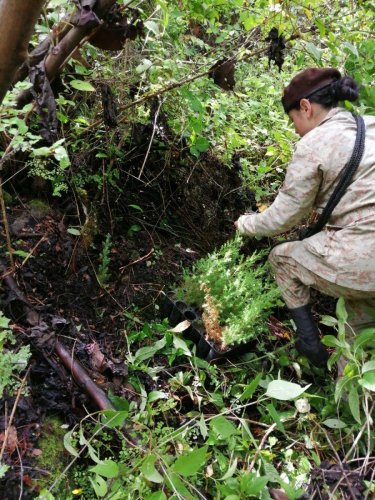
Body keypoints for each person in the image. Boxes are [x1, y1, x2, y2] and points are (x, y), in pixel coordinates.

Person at [235, 67, 375, 368]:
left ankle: (310, 345)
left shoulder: (315, 143)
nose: (296, 129)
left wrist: (244, 224)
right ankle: (354, 398)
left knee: (282, 260)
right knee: (356, 328)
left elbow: (281, 220)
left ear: (306, 107)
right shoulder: (371, 126)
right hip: (366, 268)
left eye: (293, 120)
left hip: (365, 259)